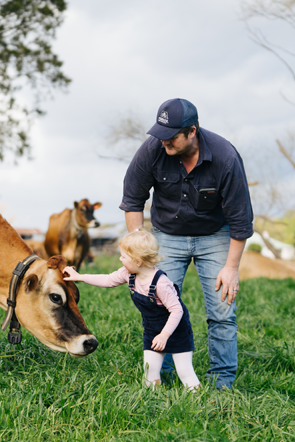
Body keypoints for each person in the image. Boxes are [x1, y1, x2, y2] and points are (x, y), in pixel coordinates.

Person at [120, 98, 253, 390]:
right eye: (160, 134)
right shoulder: (153, 149)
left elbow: (241, 220)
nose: (163, 141)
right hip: (167, 236)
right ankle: (162, 377)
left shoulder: (225, 157)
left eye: (171, 136)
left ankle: (221, 382)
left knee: (222, 312)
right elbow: (132, 199)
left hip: (215, 235)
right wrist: (138, 246)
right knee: (159, 306)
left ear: (192, 131)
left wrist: (231, 268)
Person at [63, 231, 200, 390]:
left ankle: (197, 397)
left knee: (184, 372)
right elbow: (108, 279)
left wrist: (164, 335)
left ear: (138, 261)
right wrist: (79, 277)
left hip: (176, 331)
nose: (120, 259)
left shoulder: (161, 284)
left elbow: (177, 310)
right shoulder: (128, 273)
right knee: (150, 370)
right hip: (152, 330)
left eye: (123, 256)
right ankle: (153, 398)